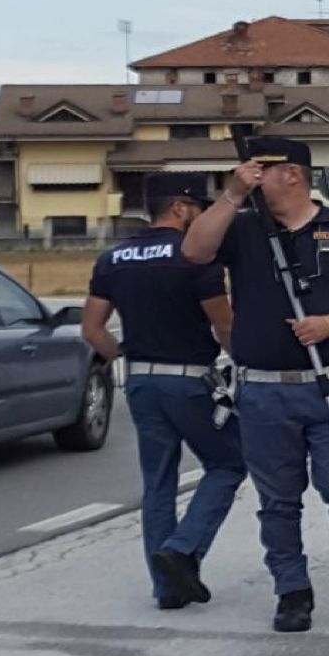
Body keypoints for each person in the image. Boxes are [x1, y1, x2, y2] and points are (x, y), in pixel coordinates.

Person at [182, 136, 329, 633]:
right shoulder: (242, 229)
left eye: (259, 169)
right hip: (262, 389)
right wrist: (233, 195)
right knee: (278, 499)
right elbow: (194, 251)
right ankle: (292, 592)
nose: (249, 174)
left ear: (292, 174)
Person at [82, 173, 247, 610]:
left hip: (139, 380)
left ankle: (167, 587)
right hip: (189, 379)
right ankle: (183, 551)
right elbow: (223, 323)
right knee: (228, 462)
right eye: (197, 207)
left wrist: (124, 354)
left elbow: (92, 329)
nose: (202, 216)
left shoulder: (113, 259)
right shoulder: (195, 257)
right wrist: (245, 362)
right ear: (178, 208)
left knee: (158, 481)